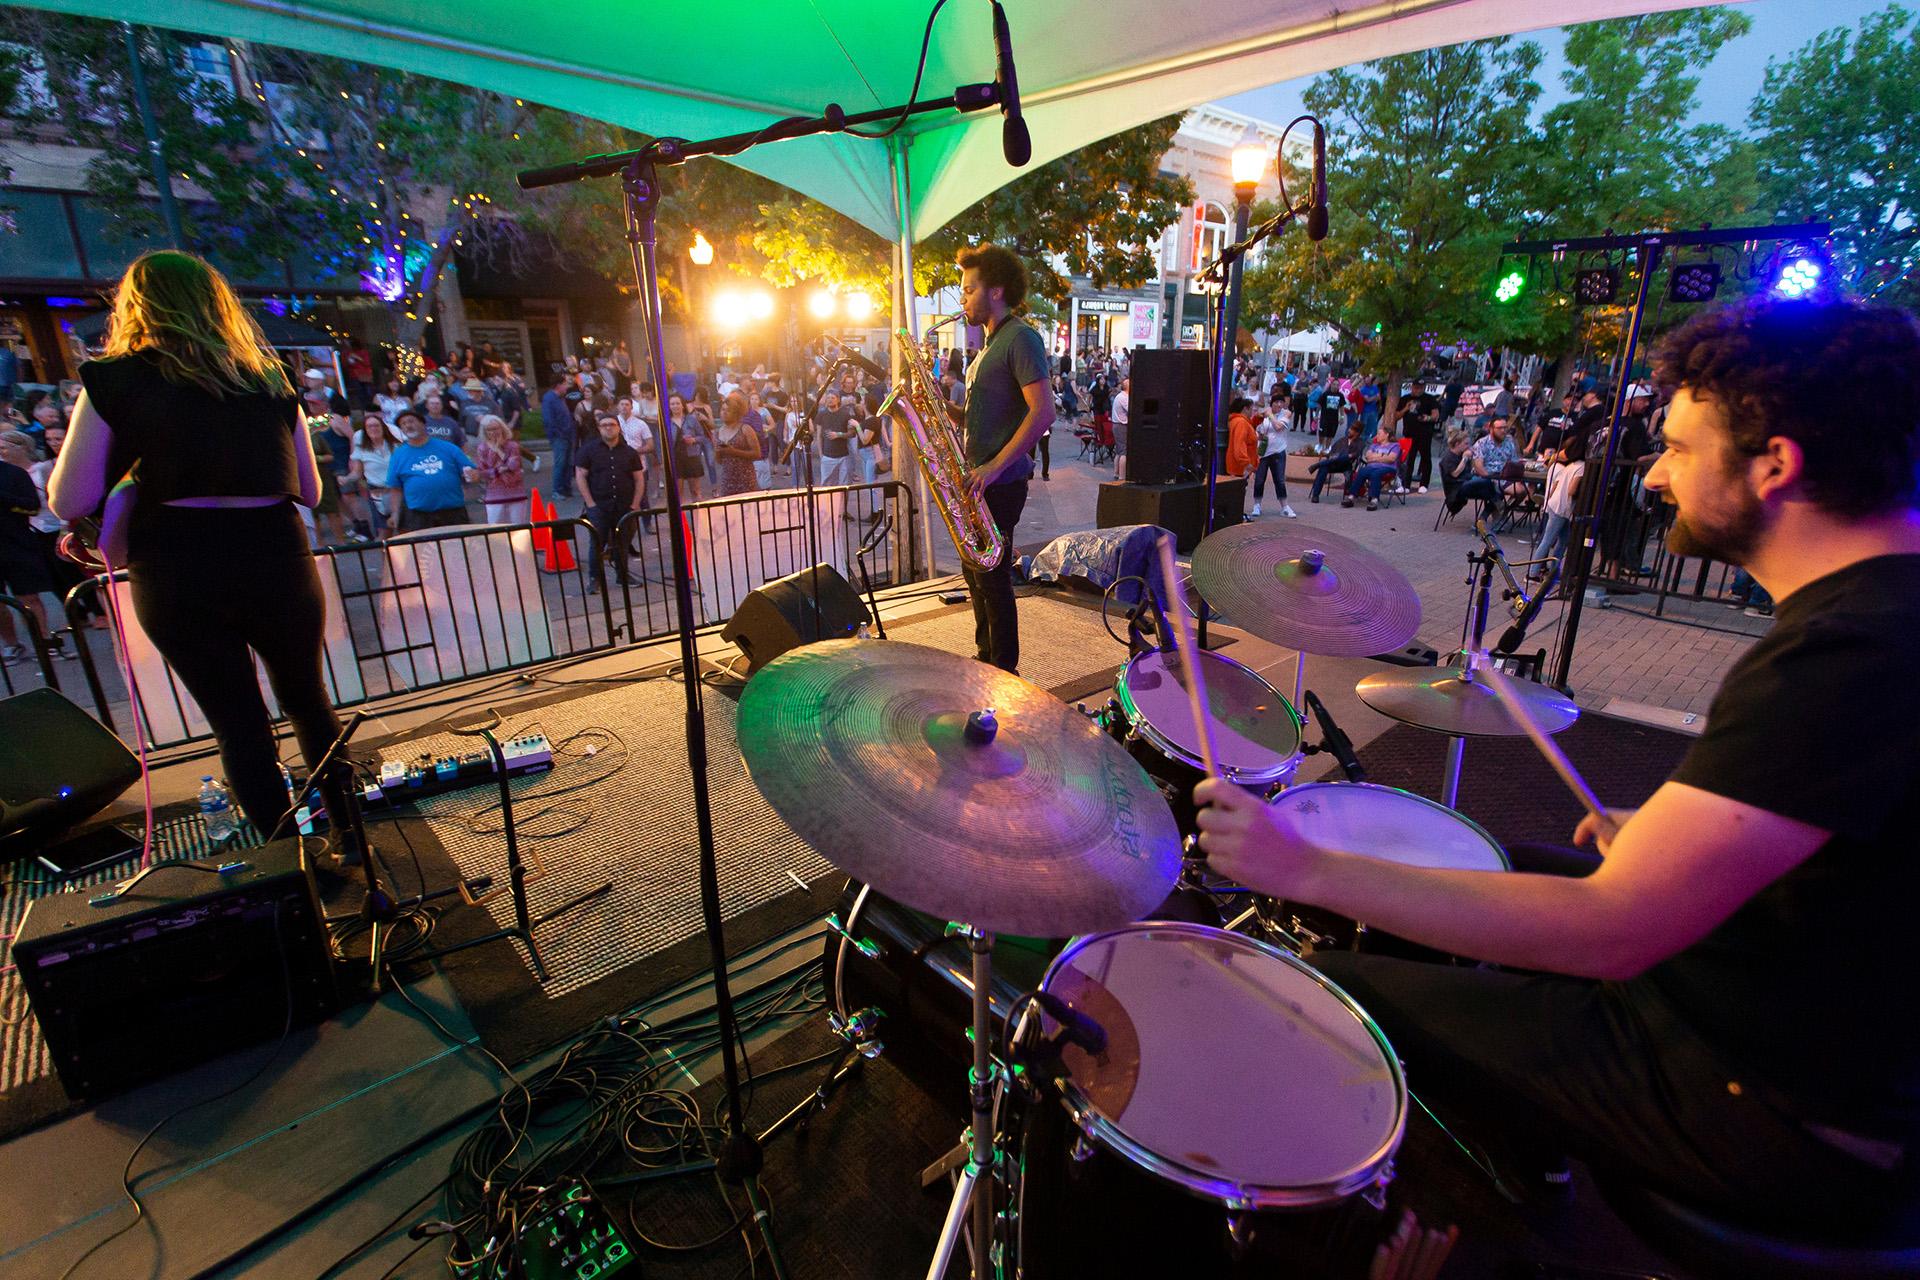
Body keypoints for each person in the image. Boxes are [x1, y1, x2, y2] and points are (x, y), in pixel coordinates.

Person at [1195, 295, 1920, 1242]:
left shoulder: (1847, 657)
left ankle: (1467, 1238)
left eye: (1679, 449)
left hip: (1783, 1107)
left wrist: (1302, 868)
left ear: (1776, 465)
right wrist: (1676, 850)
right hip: (1810, 1010)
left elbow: (1612, 933)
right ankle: (1527, 1165)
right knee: (1515, 861)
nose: (1653, 476)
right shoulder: (1883, 617)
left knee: (1340, 988)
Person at [47, 250, 354, 841]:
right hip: (275, 554)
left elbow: (68, 500)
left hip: (177, 563)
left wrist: (138, 477)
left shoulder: (113, 380)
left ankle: (295, 873)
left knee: (238, 723)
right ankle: (352, 844)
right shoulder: (266, 379)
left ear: (136, 305)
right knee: (309, 703)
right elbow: (310, 492)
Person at [945, 243, 1053, 674]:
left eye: (969, 290)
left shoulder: (1020, 338)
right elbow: (980, 416)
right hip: (979, 480)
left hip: (1001, 482)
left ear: (996, 291)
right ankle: (985, 658)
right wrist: (938, 407)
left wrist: (994, 467)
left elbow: (1043, 412)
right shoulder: (985, 349)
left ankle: (1004, 670)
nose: (963, 300)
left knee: (993, 578)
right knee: (975, 576)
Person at [574, 412, 644, 591]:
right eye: (604, 425)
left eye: (612, 424)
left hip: (625, 506)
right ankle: (595, 579)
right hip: (599, 506)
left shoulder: (629, 452)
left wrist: (635, 504)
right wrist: (590, 504)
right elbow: (580, 476)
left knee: (622, 543)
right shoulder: (589, 450)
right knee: (597, 542)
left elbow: (638, 478)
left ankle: (622, 576)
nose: (608, 428)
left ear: (618, 428)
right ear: (599, 428)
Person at [386, 407, 478, 531]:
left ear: (423, 423)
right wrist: (395, 514)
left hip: (452, 513)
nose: (408, 426)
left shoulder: (448, 448)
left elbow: (472, 471)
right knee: (423, 550)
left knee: (456, 549)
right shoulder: (398, 455)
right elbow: (395, 488)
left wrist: (474, 475)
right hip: (418, 516)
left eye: (411, 421)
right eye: (403, 424)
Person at [1531, 430, 1586, 579]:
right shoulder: (1581, 467)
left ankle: (1554, 571)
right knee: (1548, 540)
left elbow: (1555, 485)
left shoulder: (1570, 466)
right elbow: (1571, 489)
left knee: (1562, 540)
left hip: (1555, 505)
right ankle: (1533, 573)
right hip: (1562, 507)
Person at [1446, 414, 1519, 514]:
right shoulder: (1481, 444)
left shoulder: (1509, 442)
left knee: (1526, 488)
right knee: (1495, 488)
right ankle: (1494, 514)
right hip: (1478, 482)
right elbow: (1457, 473)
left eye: (1505, 428)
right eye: (1500, 428)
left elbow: (1514, 462)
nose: (1503, 430)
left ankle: (1498, 513)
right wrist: (1465, 459)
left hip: (1503, 477)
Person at [476, 415, 529, 524]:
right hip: (494, 495)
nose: (493, 432)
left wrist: (498, 450)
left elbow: (514, 465)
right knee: (496, 531)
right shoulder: (482, 448)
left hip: (516, 493)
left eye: (496, 428)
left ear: (502, 428)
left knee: (518, 530)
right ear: (485, 432)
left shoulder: (512, 446)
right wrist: (497, 470)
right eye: (489, 429)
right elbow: (482, 472)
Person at [349, 411, 396, 535]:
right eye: (369, 426)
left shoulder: (395, 446)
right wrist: (346, 478)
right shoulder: (361, 449)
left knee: (404, 531)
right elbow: (357, 472)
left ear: (382, 427)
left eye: (376, 425)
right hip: (377, 494)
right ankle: (386, 555)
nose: (373, 428)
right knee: (384, 533)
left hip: (397, 491)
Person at [1249, 398, 1296, 518]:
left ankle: (1284, 506)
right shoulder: (1264, 415)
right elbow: (1257, 430)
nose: (1279, 404)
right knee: (1259, 479)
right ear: (1271, 403)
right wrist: (1260, 434)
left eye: (1281, 402)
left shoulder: (1285, 413)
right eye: (1276, 402)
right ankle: (1257, 505)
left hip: (1278, 451)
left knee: (1279, 480)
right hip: (1264, 452)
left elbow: (1278, 427)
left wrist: (1270, 415)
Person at [711, 391, 761, 498]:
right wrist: (717, 451)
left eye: (728, 410)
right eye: (723, 410)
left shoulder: (746, 429)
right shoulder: (717, 432)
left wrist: (734, 452)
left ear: (736, 413)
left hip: (746, 479)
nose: (724, 413)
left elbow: (757, 454)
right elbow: (719, 461)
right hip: (727, 479)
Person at [1342, 424, 1403, 511]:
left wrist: (1375, 457)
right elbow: (1368, 457)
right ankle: (1351, 497)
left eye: (1379, 434)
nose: (1376, 436)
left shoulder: (1394, 445)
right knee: (1362, 471)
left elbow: (1391, 459)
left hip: (1388, 468)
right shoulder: (1374, 445)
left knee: (1376, 474)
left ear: (1386, 435)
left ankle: (1374, 500)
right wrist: (1383, 456)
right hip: (1372, 467)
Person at [1306, 422, 1365, 504]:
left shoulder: (1360, 443)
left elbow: (1355, 455)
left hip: (1346, 465)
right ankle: (1315, 495)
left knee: (1343, 457)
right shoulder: (1342, 440)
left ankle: (1317, 465)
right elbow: (1331, 452)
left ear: (1357, 432)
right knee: (1324, 467)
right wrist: (1333, 457)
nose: (1349, 430)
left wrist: (1343, 456)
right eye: (1349, 428)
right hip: (1334, 464)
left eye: (1351, 430)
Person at [1398, 387, 1442, 493]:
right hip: (1409, 433)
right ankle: (1406, 484)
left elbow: (1435, 416)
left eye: (1420, 388)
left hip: (1425, 433)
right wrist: (1406, 408)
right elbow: (1397, 415)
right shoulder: (1405, 398)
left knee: (1425, 458)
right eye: (1416, 387)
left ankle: (1424, 484)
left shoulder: (1429, 399)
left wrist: (1427, 418)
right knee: (1409, 459)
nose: (1418, 390)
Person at [541, 370, 577, 500]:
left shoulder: (561, 398)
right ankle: (557, 490)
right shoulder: (549, 398)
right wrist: (558, 433)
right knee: (560, 463)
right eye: (565, 384)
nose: (567, 387)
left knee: (568, 463)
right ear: (558, 385)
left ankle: (566, 488)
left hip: (568, 435)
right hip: (559, 437)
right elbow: (548, 420)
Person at [1110, 376, 1130, 479]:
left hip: (1117, 425)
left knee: (1119, 450)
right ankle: (1122, 477)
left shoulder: (1120, 396)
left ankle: (1116, 473)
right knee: (1123, 452)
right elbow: (1131, 410)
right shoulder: (1124, 398)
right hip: (1121, 426)